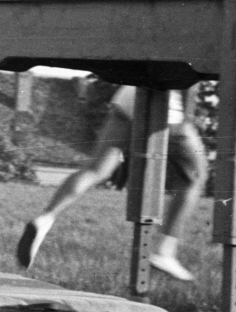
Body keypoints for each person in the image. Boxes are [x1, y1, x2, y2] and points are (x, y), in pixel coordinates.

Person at [16, 85, 204, 282]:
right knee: (196, 177)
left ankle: (45, 218)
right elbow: (191, 82)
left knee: (96, 169)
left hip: (130, 92)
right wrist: (186, 120)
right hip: (166, 101)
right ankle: (164, 250)